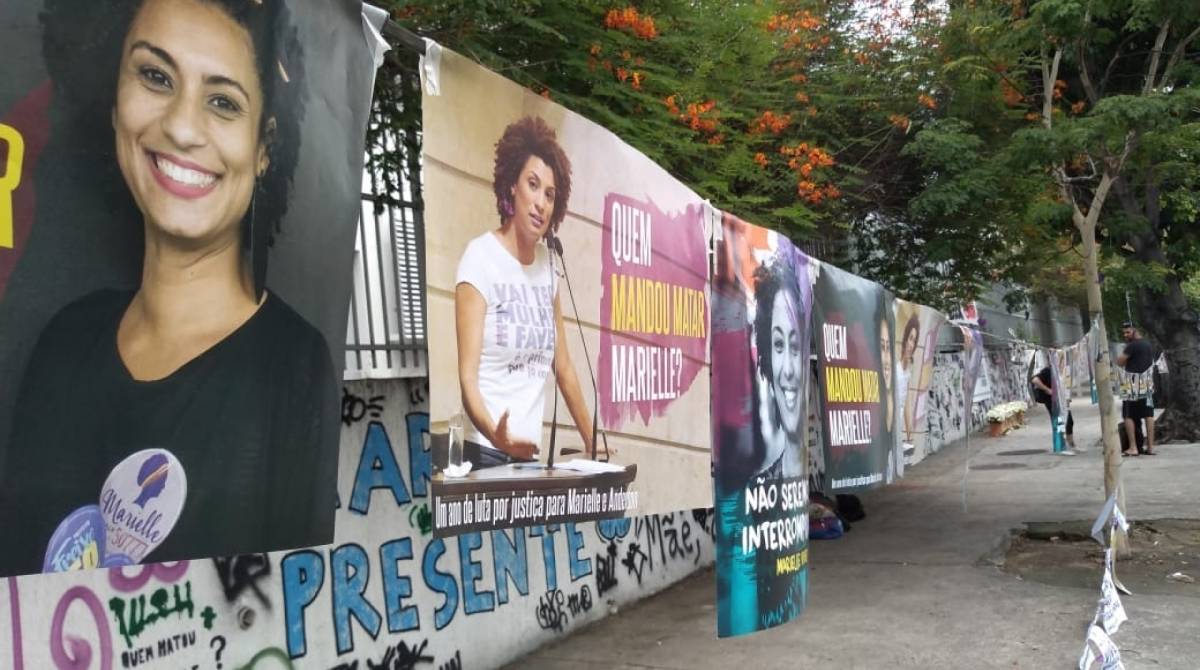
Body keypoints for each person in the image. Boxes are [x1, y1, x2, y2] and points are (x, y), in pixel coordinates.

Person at [0, 0, 337, 577]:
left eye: (223, 102)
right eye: (156, 76)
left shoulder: (297, 370)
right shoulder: (64, 340)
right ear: (115, 103)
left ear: (263, 148)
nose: (181, 127)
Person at [454, 116, 594, 469]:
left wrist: (594, 444)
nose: (541, 203)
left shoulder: (548, 267)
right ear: (513, 186)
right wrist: (496, 435)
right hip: (485, 452)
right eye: (533, 185)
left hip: (529, 457)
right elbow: (467, 378)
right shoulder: (480, 258)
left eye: (550, 194)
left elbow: (564, 367)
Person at [752, 254, 808, 479]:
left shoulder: (822, 477)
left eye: (795, 346)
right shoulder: (758, 489)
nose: (787, 370)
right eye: (778, 345)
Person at [1116, 322, 1156, 456]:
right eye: (1124, 333)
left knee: (1128, 415)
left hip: (1131, 383)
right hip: (1147, 382)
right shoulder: (1148, 344)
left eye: (1128, 332)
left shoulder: (1131, 346)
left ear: (1135, 331)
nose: (1125, 335)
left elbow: (1120, 361)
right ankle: (1150, 447)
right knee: (1148, 414)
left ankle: (1133, 448)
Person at [1030, 364, 1075, 451]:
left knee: (1069, 421)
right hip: (1052, 401)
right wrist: (1047, 390)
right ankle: (1060, 446)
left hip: (1062, 401)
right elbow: (1035, 380)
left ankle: (1071, 444)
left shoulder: (1064, 371)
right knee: (1059, 421)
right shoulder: (1049, 370)